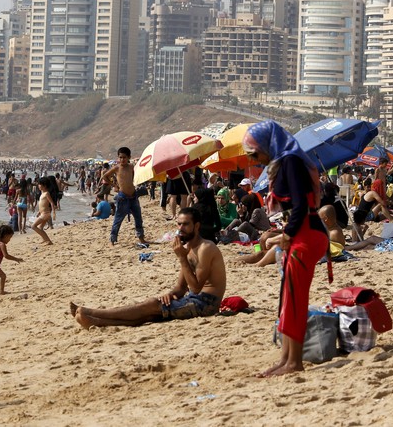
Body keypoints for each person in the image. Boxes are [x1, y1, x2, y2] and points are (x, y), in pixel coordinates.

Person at [244, 120, 329, 377]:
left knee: (295, 299)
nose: (255, 160)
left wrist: (287, 234)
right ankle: (285, 358)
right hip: (300, 232)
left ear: (267, 145)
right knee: (287, 298)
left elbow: (302, 206)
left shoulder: (290, 160)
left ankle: (295, 362)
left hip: (306, 234)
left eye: (255, 153)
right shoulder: (283, 162)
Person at [71, 208, 226, 329]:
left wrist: (181, 258)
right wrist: (169, 294)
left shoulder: (206, 248)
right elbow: (180, 287)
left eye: (185, 224)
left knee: (152, 305)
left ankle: (91, 312)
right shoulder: (187, 248)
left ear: (196, 226)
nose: (180, 228)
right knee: (149, 315)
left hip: (207, 304)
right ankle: (95, 321)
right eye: (179, 224)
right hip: (193, 300)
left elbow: (196, 288)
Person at [102, 147, 146, 247]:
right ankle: (112, 240)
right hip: (123, 197)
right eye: (120, 157)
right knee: (118, 219)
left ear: (129, 157)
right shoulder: (116, 168)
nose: (122, 160)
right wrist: (114, 185)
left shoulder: (131, 167)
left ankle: (141, 238)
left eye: (124, 157)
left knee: (138, 218)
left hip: (133, 196)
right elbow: (105, 176)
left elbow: (134, 177)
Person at [31, 178, 54, 245]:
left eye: (40, 184)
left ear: (45, 186)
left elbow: (51, 203)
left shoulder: (47, 193)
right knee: (40, 227)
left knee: (33, 226)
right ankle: (45, 239)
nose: (38, 185)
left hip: (45, 214)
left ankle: (48, 241)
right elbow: (42, 204)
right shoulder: (42, 193)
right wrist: (39, 212)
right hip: (43, 213)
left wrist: (54, 213)